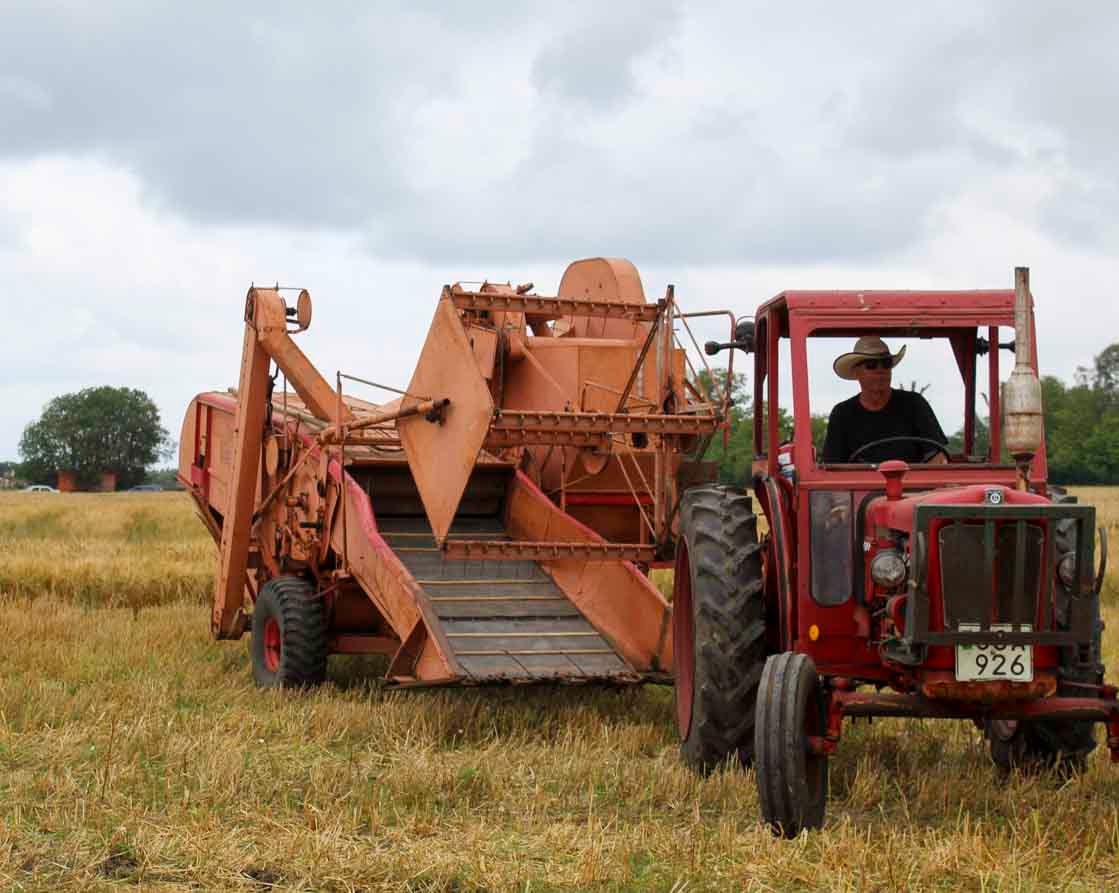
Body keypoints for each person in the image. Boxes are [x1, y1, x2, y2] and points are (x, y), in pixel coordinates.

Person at [821, 336, 948, 464]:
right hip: (861, 478)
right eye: (871, 365)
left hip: (911, 477)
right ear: (856, 372)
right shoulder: (842, 413)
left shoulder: (914, 404)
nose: (880, 370)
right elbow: (833, 466)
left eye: (886, 364)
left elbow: (938, 457)